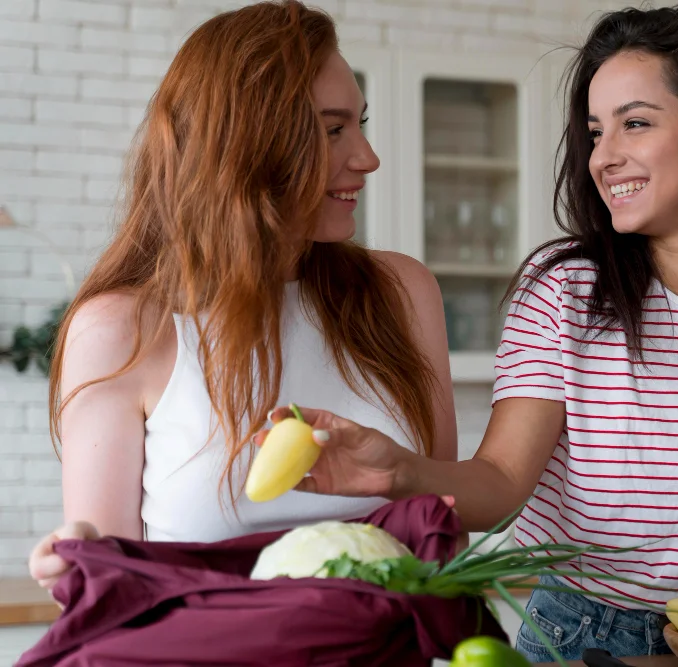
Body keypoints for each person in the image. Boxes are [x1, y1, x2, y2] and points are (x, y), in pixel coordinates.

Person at [258, 2, 678, 662]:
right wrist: (398, 471)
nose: (603, 157)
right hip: (583, 632)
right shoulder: (564, 289)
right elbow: (502, 479)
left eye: (635, 124)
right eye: (595, 133)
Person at [28, 0, 456, 593]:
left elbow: (446, 524)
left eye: (361, 124)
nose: (367, 158)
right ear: (244, 143)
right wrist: (69, 566)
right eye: (333, 130)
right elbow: (109, 583)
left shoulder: (403, 293)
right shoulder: (121, 331)